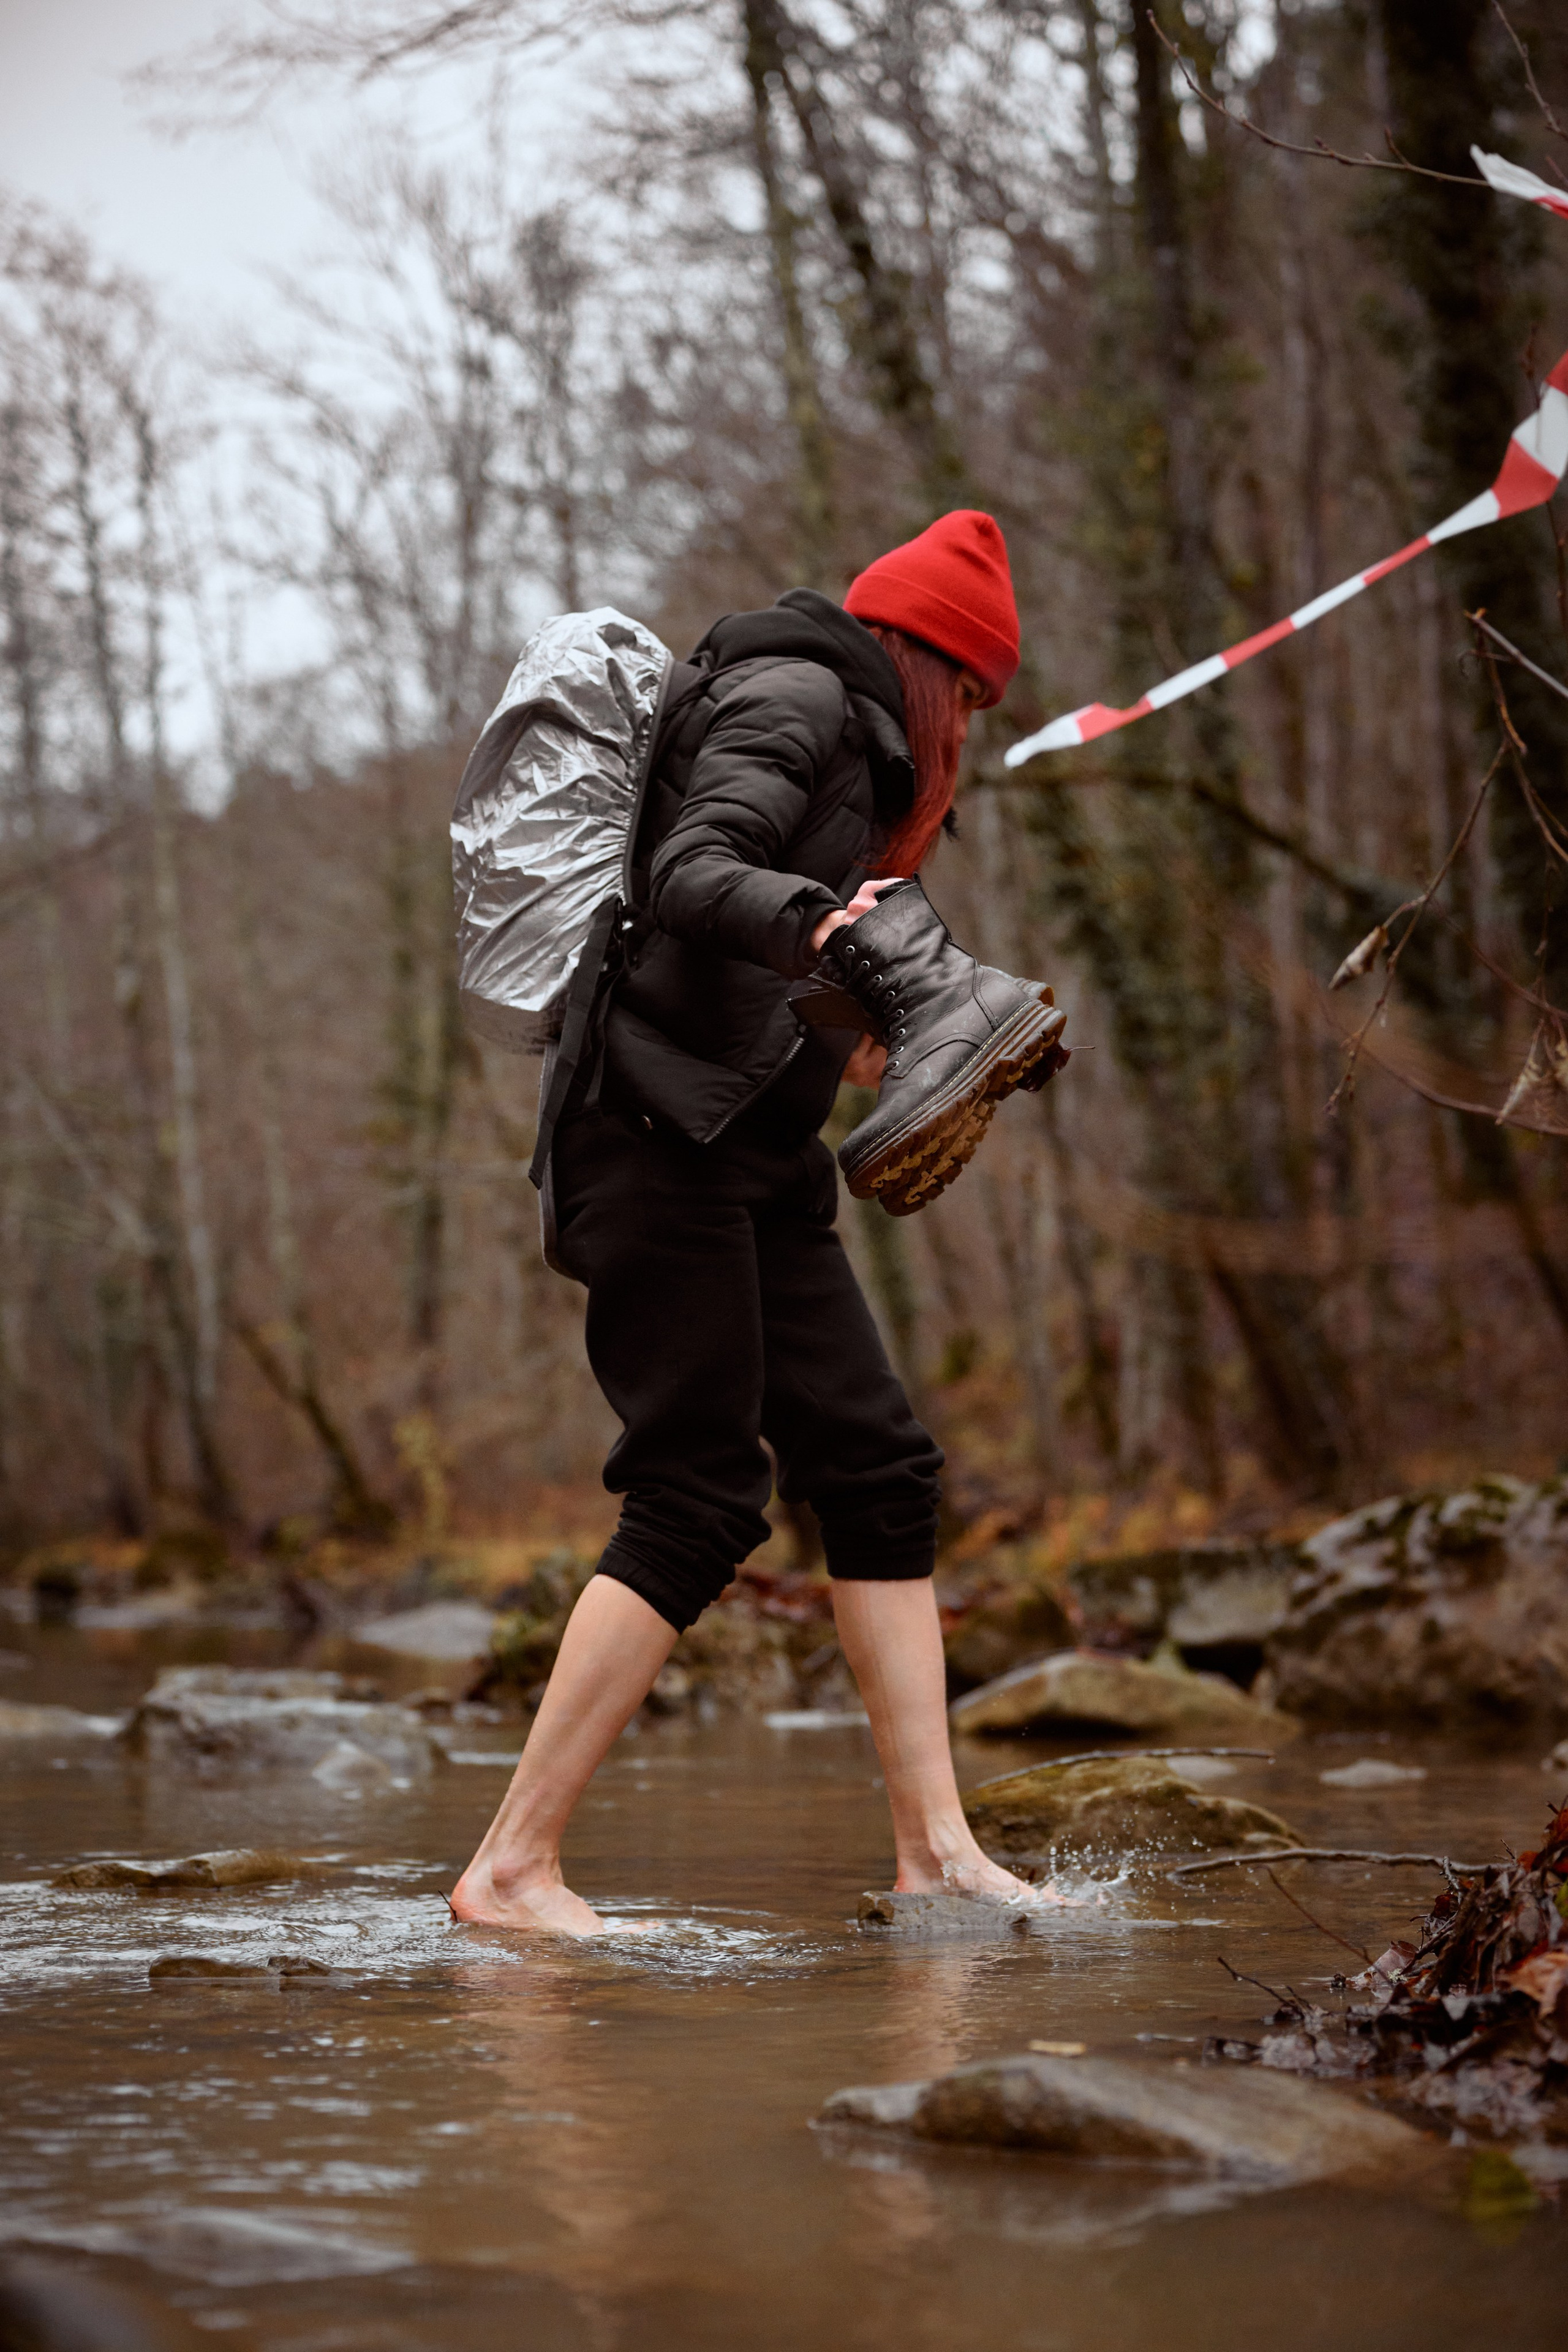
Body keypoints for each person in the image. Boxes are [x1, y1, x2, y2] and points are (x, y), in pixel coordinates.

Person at [451, 510, 1066, 1935]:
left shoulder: (865, 747)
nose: (967, 731)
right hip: (645, 1139)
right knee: (699, 1493)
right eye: (968, 697)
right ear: (929, 663)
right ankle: (509, 1868)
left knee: (877, 1467)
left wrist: (843, 1031)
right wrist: (839, 937)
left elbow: (748, 944)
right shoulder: (794, 696)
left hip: (753, 1152)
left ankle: (935, 1856)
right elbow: (687, 872)